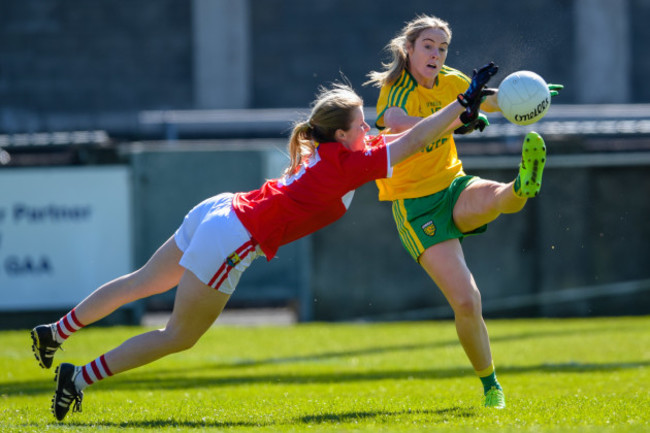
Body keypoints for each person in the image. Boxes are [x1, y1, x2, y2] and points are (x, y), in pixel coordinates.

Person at [31, 66, 497, 421]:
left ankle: (56, 332)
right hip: (233, 237)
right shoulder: (347, 164)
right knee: (180, 336)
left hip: (221, 210)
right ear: (340, 134)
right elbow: (412, 139)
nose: (368, 130)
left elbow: (403, 134)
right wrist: (462, 103)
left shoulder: (338, 148)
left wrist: (459, 117)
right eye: (360, 126)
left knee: (141, 282)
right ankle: (78, 377)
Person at [365, 14, 563, 409]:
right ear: (408, 50)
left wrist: (529, 97)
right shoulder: (395, 88)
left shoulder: (453, 81)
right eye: (428, 46)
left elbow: (490, 100)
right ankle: (490, 384)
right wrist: (460, 118)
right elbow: (401, 124)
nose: (436, 54)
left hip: (452, 184)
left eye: (442, 48)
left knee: (494, 199)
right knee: (468, 301)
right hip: (415, 206)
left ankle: (522, 183)